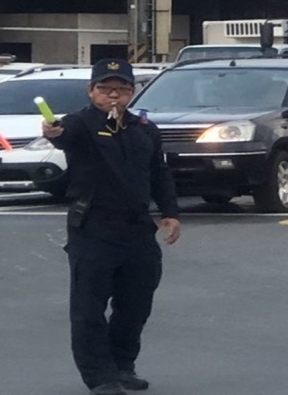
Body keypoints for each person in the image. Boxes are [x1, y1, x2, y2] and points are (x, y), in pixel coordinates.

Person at [41, 59, 181, 395]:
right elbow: (61, 135)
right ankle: (99, 377)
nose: (113, 95)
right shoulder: (80, 125)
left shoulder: (144, 128)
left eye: (122, 89)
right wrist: (51, 132)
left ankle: (122, 366)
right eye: (105, 89)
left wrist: (170, 212)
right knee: (89, 308)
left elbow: (159, 174)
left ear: (132, 92)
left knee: (135, 305)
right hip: (94, 228)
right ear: (91, 91)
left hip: (136, 229)